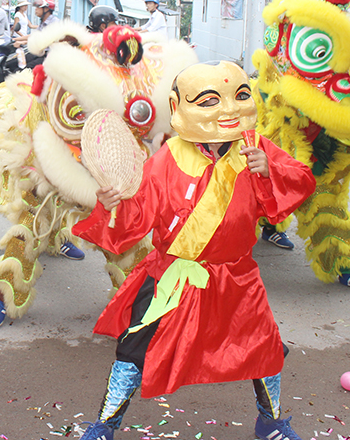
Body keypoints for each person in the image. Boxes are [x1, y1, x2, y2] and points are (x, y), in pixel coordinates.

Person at [72, 61, 315, 440]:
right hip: (173, 277)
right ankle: (104, 426)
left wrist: (270, 170)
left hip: (237, 276)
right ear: (179, 105)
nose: (229, 109)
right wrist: (111, 203)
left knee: (264, 348)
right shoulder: (169, 157)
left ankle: (270, 422)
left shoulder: (255, 148)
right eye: (210, 100)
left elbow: (299, 182)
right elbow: (136, 215)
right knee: (134, 350)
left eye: (239, 96)